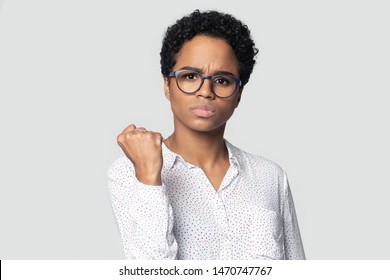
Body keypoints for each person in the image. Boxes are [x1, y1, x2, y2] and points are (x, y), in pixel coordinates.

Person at [108, 9, 305, 260]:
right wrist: (148, 177)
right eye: (190, 77)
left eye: (222, 81)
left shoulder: (270, 177)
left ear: (239, 94)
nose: (205, 91)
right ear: (167, 86)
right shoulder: (128, 173)